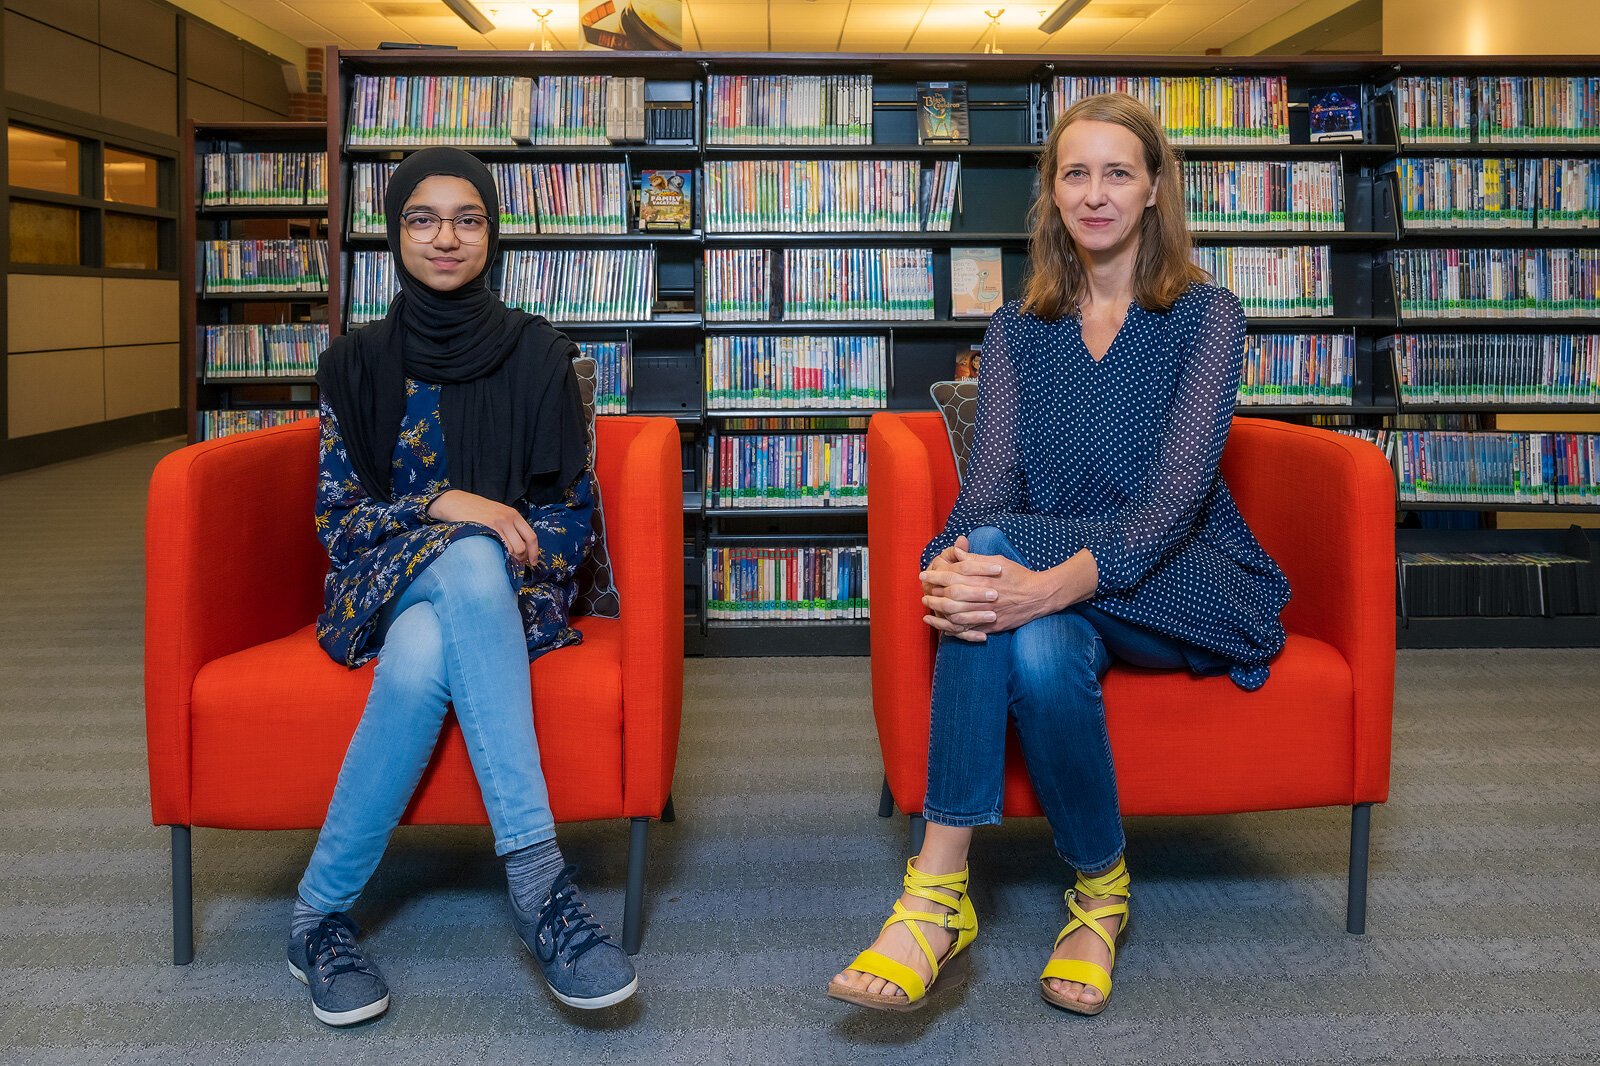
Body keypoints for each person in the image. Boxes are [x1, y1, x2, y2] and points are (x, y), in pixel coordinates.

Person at [828, 93, 1291, 1016]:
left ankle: (934, 895)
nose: (1095, 193)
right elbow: (987, 495)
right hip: (1054, 591)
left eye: (1118, 171)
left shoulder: (1208, 316)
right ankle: (1101, 895)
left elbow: (1168, 510)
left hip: (1185, 583)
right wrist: (947, 570)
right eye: (1074, 173)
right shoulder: (1016, 330)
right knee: (1033, 647)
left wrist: (1028, 580)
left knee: (1005, 571)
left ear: (1155, 188)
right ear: (1051, 193)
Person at [291, 147, 636, 1026]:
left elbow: (566, 526)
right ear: (394, 233)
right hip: (381, 585)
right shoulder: (355, 366)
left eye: (467, 219)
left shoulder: (538, 356)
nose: (446, 238)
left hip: (506, 595)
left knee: (423, 654)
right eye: (422, 218)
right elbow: (340, 524)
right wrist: (450, 504)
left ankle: (317, 915)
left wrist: (482, 537)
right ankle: (539, 883)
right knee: (468, 553)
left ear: (492, 233)